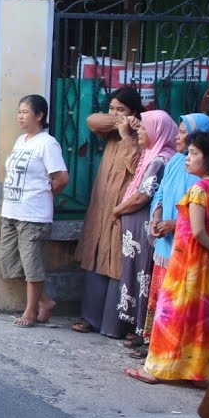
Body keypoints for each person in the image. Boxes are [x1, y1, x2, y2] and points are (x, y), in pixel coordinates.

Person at [124, 131, 209, 385]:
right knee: (205, 318)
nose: (187, 158)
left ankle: (155, 369)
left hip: (188, 262)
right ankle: (202, 372)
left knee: (172, 314)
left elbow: (197, 231)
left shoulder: (200, 189)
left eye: (194, 154)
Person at [139, 113, 209, 359]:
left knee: (178, 302)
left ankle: (170, 352)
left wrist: (174, 224)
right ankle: (153, 342)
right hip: (165, 241)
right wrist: (157, 216)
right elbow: (161, 192)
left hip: (185, 246)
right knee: (161, 296)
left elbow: (205, 215)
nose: (178, 136)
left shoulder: (204, 174)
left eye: (183, 132)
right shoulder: (176, 161)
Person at [71, 86, 144, 337]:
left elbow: (137, 169)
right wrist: (120, 121)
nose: (114, 113)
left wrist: (128, 134)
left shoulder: (140, 137)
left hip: (122, 210)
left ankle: (114, 325)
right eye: (112, 108)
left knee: (116, 262)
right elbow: (92, 120)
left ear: (135, 112)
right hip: (100, 207)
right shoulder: (110, 131)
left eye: (121, 109)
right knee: (96, 255)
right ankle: (89, 318)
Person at [0, 95, 69, 327]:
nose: (20, 116)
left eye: (25, 112)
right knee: (11, 262)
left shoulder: (47, 143)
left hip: (33, 215)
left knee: (32, 266)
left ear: (39, 116)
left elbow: (61, 178)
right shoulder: (22, 141)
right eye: (19, 111)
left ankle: (30, 311)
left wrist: (43, 196)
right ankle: (46, 301)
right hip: (11, 211)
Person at [113, 110, 178, 346]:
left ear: (156, 130)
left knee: (144, 277)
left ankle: (143, 330)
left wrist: (117, 210)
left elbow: (144, 195)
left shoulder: (161, 159)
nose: (139, 131)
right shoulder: (150, 155)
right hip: (136, 231)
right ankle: (137, 327)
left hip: (144, 229)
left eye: (143, 128)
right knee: (136, 277)